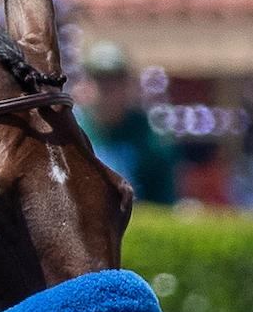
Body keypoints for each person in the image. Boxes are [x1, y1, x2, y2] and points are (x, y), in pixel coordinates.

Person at [73, 44, 176, 207]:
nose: (107, 89)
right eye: (100, 80)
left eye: (115, 80)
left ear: (129, 84)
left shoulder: (151, 138)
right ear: (85, 83)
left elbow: (164, 206)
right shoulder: (71, 133)